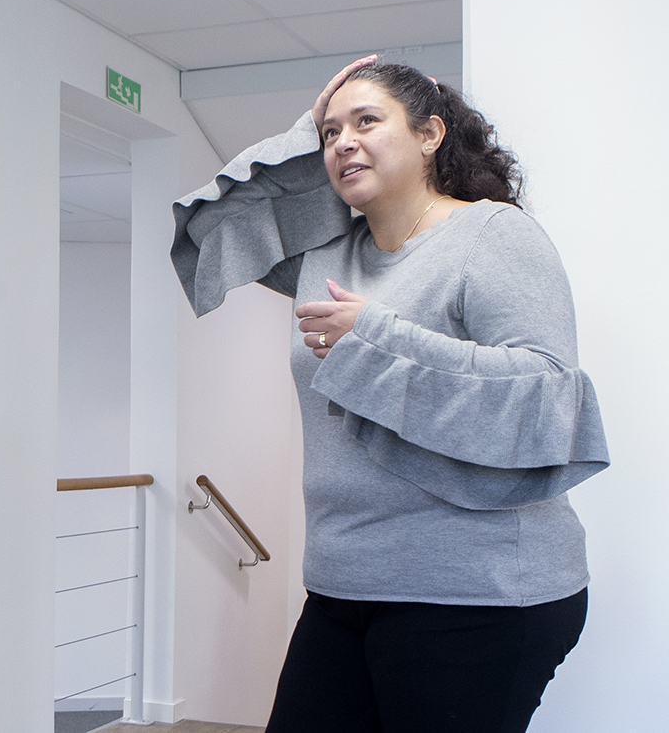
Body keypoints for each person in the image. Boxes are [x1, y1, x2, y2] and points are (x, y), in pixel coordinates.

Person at [171, 57, 610, 732]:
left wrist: (375, 340)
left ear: (431, 133)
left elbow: (549, 397)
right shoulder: (327, 254)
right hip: (345, 585)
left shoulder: (493, 236)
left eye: (367, 122)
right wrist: (304, 127)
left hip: (478, 593)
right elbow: (215, 228)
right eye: (332, 134)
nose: (343, 141)